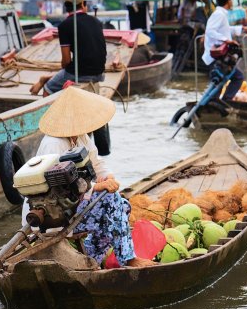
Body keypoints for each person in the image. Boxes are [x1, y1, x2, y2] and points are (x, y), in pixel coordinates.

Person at [22, 86, 155, 268]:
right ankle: (128, 259)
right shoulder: (53, 144)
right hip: (54, 213)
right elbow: (57, 189)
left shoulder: (80, 137)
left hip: (74, 205)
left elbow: (97, 163)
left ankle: (92, 258)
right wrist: (97, 187)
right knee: (112, 201)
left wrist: (107, 177)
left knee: (123, 206)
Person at [30, 0, 107, 96]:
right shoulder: (97, 22)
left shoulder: (64, 25)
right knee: (67, 73)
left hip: (81, 74)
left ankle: (47, 81)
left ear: (66, 6)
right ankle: (52, 78)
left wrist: (65, 72)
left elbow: (66, 61)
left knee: (48, 89)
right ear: (83, 4)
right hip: (100, 74)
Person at [202, 0, 247, 101]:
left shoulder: (221, 14)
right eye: (231, 0)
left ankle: (218, 102)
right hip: (216, 56)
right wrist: (227, 40)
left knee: (222, 82)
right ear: (228, 1)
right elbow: (210, 31)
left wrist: (242, 29)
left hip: (219, 56)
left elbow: (225, 29)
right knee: (236, 78)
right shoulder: (219, 14)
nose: (232, 2)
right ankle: (224, 101)